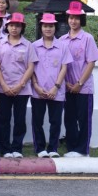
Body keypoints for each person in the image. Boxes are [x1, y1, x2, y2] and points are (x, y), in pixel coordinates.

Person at [0, 12, 37, 158]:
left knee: (19, 120)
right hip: (3, 89)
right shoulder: (0, 44)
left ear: (22, 27)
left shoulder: (28, 45)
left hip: (22, 90)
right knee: (3, 120)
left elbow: (30, 67)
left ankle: (17, 148)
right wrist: (3, 85)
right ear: (7, 27)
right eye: (11, 25)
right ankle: (5, 149)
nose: (14, 28)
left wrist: (20, 85)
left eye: (17, 26)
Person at [59, 1, 98, 158]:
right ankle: (72, 149)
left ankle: (83, 150)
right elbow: (60, 65)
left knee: (84, 120)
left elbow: (91, 63)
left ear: (81, 19)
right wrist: (66, 83)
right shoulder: (62, 40)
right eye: (71, 17)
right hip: (67, 87)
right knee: (69, 119)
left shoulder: (87, 38)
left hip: (84, 88)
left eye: (76, 18)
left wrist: (79, 83)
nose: (73, 21)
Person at [31, 13, 73, 158]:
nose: (48, 29)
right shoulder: (34, 46)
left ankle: (53, 148)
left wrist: (56, 87)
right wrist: (36, 86)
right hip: (38, 91)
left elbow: (64, 68)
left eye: (51, 26)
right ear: (41, 27)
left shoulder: (62, 46)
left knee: (55, 121)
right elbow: (31, 68)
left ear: (55, 27)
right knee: (37, 121)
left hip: (57, 91)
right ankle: (40, 148)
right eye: (45, 26)